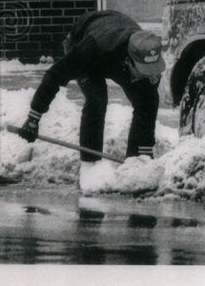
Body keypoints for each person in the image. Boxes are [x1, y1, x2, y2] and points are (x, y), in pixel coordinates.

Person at [17, 10, 165, 191]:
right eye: (142, 71)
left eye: (150, 71)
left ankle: (134, 164)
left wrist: (142, 160)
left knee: (147, 99)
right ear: (129, 61)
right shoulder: (92, 48)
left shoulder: (147, 55)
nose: (146, 76)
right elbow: (54, 76)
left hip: (115, 34)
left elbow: (148, 107)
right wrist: (34, 117)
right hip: (89, 43)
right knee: (97, 99)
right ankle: (89, 167)